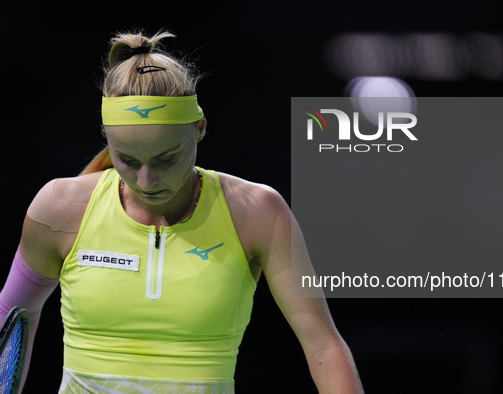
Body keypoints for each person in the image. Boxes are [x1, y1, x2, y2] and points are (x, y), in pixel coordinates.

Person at [0, 30, 364, 393]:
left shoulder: (257, 212)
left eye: (166, 158)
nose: (147, 179)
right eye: (127, 160)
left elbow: (324, 346)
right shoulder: (59, 209)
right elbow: (10, 320)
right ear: (107, 139)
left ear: (200, 128)